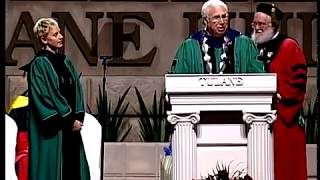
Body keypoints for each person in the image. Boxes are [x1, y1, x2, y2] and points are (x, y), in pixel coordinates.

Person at [28, 17, 90, 180]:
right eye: (55, 34)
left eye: (60, 33)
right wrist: (69, 120)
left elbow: (77, 90)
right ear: (44, 39)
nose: (61, 36)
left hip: (71, 128)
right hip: (54, 131)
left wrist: (78, 116)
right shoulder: (39, 64)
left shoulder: (66, 62)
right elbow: (44, 98)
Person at [251, 3, 307, 180]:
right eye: (254, 24)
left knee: (285, 169)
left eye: (262, 24)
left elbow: (298, 82)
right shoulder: (253, 47)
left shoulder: (289, 46)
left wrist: (280, 100)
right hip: (256, 118)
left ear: (274, 25)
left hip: (284, 120)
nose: (257, 28)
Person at [170, 0, 264, 74]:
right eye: (216, 17)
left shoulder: (244, 44)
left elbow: (259, 78)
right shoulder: (190, 46)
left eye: (224, 16)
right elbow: (177, 80)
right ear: (205, 20)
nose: (222, 22)